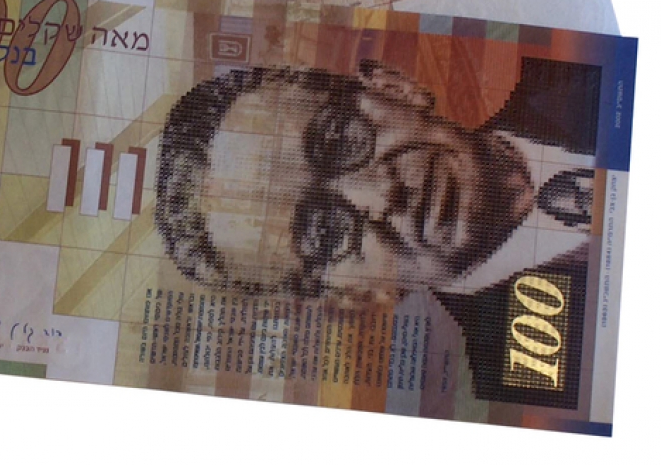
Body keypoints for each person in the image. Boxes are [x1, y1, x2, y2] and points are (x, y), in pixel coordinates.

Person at [155, 58, 601, 407]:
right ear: (356, 296)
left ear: (393, 86)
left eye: (339, 140)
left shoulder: (584, 70)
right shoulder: (530, 392)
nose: (380, 194)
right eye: (326, 232)